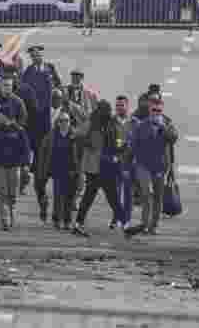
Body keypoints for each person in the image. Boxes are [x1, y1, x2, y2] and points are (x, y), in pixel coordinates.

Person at [126, 97, 179, 237]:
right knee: (146, 194)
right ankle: (144, 224)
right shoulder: (141, 124)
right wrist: (131, 162)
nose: (156, 112)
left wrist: (162, 127)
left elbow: (174, 137)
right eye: (154, 110)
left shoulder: (167, 123)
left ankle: (153, 226)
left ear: (162, 111)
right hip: (143, 165)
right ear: (149, 110)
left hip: (160, 166)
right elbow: (133, 144)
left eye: (158, 110)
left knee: (158, 197)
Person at [72, 100, 122, 237]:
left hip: (101, 166)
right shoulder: (94, 122)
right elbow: (77, 135)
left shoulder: (106, 122)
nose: (106, 113)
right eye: (104, 110)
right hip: (96, 166)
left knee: (98, 196)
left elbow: (119, 139)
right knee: (107, 196)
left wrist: (117, 150)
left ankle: (78, 223)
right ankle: (79, 223)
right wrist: (88, 143)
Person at [0, 113, 32, 230]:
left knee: (12, 195)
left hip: (14, 166)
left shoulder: (19, 130)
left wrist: (26, 164)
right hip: (0, 167)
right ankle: (5, 221)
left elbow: (26, 148)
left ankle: (13, 219)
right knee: (3, 194)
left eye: (2, 115)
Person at [37, 111, 79, 229]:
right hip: (57, 170)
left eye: (66, 121)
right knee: (58, 196)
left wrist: (78, 169)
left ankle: (67, 220)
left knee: (69, 197)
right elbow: (43, 152)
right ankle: (57, 219)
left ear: (70, 122)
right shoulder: (51, 135)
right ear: (58, 123)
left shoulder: (75, 135)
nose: (64, 123)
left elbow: (80, 153)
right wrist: (43, 169)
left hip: (72, 171)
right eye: (61, 121)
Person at [113, 95, 138, 230]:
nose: (119, 108)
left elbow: (139, 142)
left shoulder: (134, 123)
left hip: (129, 163)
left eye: (122, 105)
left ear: (127, 106)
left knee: (128, 194)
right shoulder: (111, 122)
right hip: (114, 163)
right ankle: (117, 218)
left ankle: (127, 220)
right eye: (117, 105)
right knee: (115, 194)